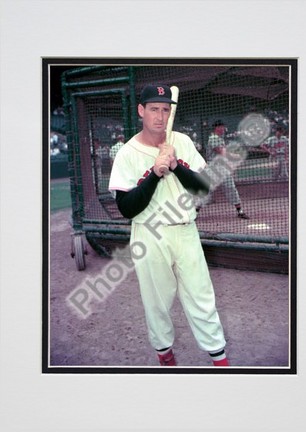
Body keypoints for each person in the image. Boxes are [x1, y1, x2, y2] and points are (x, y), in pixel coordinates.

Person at [108, 84, 229, 367]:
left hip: (185, 229)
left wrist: (176, 166)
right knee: (157, 302)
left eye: (165, 109)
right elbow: (127, 208)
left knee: (201, 295)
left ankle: (220, 360)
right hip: (149, 233)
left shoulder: (182, 142)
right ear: (141, 111)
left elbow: (202, 189)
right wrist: (154, 174)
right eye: (154, 109)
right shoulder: (127, 153)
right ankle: (165, 355)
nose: (160, 116)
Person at [202, 120, 249, 219]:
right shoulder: (214, 138)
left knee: (230, 188)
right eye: (222, 127)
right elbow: (221, 152)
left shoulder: (219, 138)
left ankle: (239, 211)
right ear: (217, 127)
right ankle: (195, 212)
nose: (224, 129)